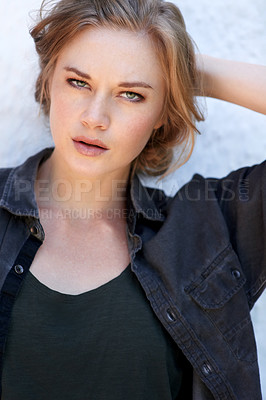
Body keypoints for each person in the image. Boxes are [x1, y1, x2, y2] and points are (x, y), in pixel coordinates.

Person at [0, 0, 265, 399]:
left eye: (131, 94)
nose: (95, 117)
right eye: (78, 82)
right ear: (48, 81)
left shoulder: (206, 234)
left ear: (162, 110)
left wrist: (189, 70)